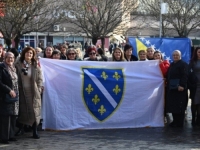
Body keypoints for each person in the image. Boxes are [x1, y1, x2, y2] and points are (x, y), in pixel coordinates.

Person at [15, 47, 43, 139]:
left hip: (33, 91)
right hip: (21, 90)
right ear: (24, 54)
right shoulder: (18, 64)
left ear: (33, 55)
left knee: (34, 110)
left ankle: (34, 130)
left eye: (31, 53)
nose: (29, 55)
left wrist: (38, 88)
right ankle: (21, 128)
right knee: (23, 110)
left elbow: (40, 79)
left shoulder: (35, 65)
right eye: (27, 53)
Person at [0, 52, 19, 144]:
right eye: (8, 57)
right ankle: (4, 137)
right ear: (4, 58)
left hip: (14, 96)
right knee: (5, 117)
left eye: (12, 57)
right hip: (5, 96)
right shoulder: (1, 67)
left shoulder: (14, 68)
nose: (10, 59)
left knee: (13, 116)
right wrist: (9, 90)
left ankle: (11, 135)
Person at [166, 50, 188, 127]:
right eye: (174, 55)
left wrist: (182, 85)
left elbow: (184, 76)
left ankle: (179, 122)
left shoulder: (183, 64)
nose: (175, 56)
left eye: (177, 55)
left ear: (180, 56)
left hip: (180, 89)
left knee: (180, 106)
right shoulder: (172, 64)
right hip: (172, 89)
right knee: (173, 105)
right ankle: (175, 121)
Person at [188, 47, 200, 126]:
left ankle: (198, 119)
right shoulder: (192, 62)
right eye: (199, 52)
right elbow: (189, 72)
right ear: (196, 53)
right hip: (195, 85)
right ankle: (193, 119)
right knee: (194, 102)